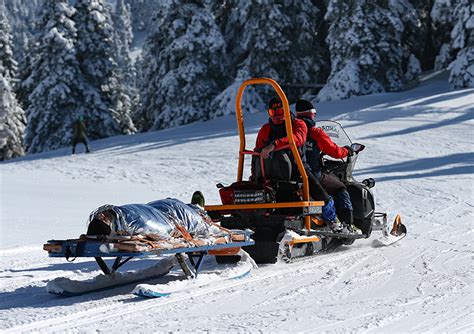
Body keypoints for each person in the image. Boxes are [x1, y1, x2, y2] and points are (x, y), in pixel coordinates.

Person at [252, 97, 337, 224]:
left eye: (280, 112)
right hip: (273, 174)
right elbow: (257, 153)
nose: (276, 116)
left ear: (286, 110)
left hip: (299, 170)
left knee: (322, 196)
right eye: (272, 113)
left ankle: (333, 222)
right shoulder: (266, 129)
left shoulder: (298, 124)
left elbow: (297, 139)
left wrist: (274, 145)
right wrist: (255, 174)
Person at [295, 99, 355, 232]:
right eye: (314, 112)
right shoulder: (314, 132)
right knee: (340, 187)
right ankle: (347, 223)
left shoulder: (291, 131)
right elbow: (335, 151)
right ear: (311, 114)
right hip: (312, 174)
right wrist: (347, 150)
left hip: (292, 175)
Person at [86, 196, 222, 239]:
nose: (101, 214)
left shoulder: (121, 214)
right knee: (197, 220)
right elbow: (165, 230)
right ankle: (198, 209)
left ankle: (197, 208)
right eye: (102, 218)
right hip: (173, 214)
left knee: (195, 218)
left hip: (158, 207)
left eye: (101, 215)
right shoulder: (137, 225)